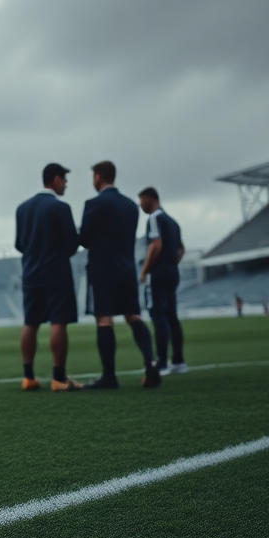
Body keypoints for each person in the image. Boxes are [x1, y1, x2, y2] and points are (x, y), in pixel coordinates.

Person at [78, 161, 160, 389]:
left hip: (102, 270)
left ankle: (109, 376)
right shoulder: (131, 206)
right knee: (133, 317)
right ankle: (150, 363)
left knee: (104, 320)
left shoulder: (93, 204)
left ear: (97, 177)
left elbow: (84, 239)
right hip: (126, 268)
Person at [14, 162, 84, 391]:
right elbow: (73, 245)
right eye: (64, 180)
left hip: (31, 274)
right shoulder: (60, 208)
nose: (66, 185)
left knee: (30, 323)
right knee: (58, 322)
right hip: (56, 274)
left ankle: (28, 377)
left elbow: (19, 244)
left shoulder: (22, 208)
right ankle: (59, 378)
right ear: (55, 180)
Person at [137, 187, 187, 376]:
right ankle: (178, 361)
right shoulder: (173, 222)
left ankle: (161, 362)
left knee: (158, 315)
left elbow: (155, 245)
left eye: (142, 200)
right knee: (172, 316)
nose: (140, 205)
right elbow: (181, 250)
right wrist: (171, 265)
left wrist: (145, 270)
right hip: (172, 271)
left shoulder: (154, 218)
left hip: (158, 273)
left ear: (151, 199)